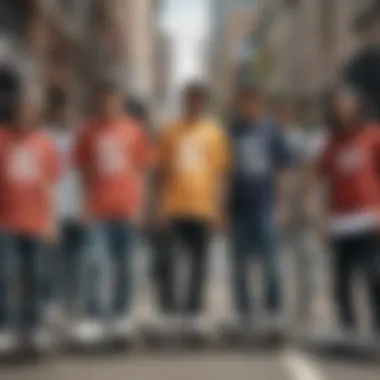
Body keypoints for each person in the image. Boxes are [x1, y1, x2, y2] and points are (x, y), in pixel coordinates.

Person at [74, 80, 151, 343]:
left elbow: (141, 172)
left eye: (114, 98)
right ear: (98, 101)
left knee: (125, 266)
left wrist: (140, 207)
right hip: (97, 210)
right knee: (95, 263)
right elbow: (82, 172)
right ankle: (94, 316)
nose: (109, 103)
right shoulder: (88, 131)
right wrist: (83, 205)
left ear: (121, 100)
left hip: (126, 209)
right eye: (104, 98)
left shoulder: (134, 131)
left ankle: (121, 315)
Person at [154, 81, 229, 332]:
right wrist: (159, 208)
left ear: (204, 103)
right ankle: (169, 311)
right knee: (167, 262)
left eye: (198, 99)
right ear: (183, 101)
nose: (194, 104)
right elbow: (160, 173)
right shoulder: (169, 131)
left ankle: (194, 311)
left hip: (203, 208)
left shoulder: (214, 132)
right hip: (173, 207)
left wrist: (219, 210)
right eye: (190, 99)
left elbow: (219, 175)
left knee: (200, 263)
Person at [310, 87, 380, 341]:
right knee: (341, 281)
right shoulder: (330, 143)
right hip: (340, 222)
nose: (342, 108)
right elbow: (319, 182)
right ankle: (347, 325)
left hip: (368, 221)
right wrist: (320, 220)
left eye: (347, 103)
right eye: (338, 104)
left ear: (357, 106)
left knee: (374, 275)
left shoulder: (372, 135)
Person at [0, 84, 61, 352]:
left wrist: (52, 220)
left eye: (30, 110)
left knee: (36, 277)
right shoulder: (2, 139)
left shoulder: (44, 143)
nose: (25, 114)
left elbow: (50, 184)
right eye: (21, 109)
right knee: (5, 277)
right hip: (5, 222)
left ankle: (31, 328)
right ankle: (5, 329)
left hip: (36, 222)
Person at [227, 83, 292, 329]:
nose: (249, 106)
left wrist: (282, 206)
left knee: (272, 264)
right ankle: (243, 313)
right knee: (239, 265)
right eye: (244, 101)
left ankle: (273, 311)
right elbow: (226, 172)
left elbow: (281, 170)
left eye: (253, 101)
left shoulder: (272, 131)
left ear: (259, 103)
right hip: (239, 209)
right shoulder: (232, 130)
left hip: (266, 207)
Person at [47, 94, 85, 319]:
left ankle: (73, 303)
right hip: (53, 210)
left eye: (69, 110)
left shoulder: (81, 138)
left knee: (77, 261)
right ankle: (53, 304)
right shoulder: (45, 137)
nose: (66, 115)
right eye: (61, 110)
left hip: (77, 208)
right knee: (52, 262)